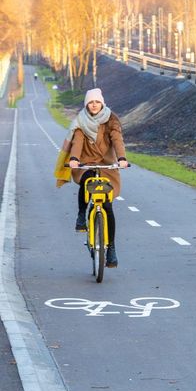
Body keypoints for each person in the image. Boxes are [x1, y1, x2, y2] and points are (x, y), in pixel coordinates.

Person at [66, 88, 130, 268]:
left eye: (97, 102)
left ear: (102, 103)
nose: (94, 105)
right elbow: (77, 142)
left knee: (107, 205)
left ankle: (111, 248)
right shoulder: (81, 121)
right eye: (90, 102)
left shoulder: (111, 120)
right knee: (86, 180)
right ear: (86, 105)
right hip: (85, 163)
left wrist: (122, 158)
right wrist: (74, 159)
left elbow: (117, 140)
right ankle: (81, 215)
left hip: (107, 166)